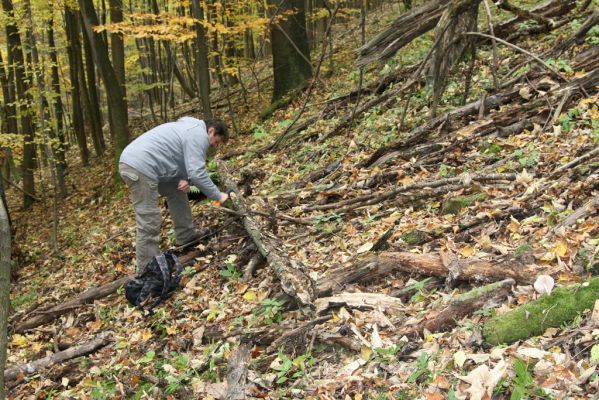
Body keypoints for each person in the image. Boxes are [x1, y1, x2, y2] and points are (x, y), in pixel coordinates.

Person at [119, 117, 229, 273]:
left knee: (177, 191)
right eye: (216, 142)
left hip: (146, 164)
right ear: (211, 131)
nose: (214, 146)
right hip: (140, 166)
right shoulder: (198, 134)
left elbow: (178, 155)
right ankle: (147, 272)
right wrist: (219, 196)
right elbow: (197, 172)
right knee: (149, 218)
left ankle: (186, 236)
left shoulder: (189, 127)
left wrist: (184, 178)